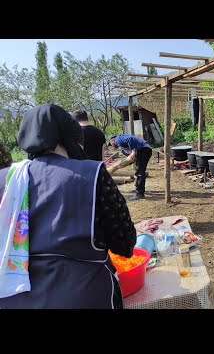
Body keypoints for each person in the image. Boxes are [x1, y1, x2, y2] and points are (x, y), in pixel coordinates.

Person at [0, 103, 136, 309]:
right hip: (84, 295)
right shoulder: (91, 174)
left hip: (12, 297)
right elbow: (124, 243)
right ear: (68, 135)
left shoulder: (7, 180)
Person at [109, 134, 152, 201]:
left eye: (110, 144)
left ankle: (140, 194)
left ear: (112, 140)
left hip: (144, 150)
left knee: (140, 171)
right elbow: (133, 158)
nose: (112, 145)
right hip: (145, 150)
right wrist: (125, 164)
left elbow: (129, 138)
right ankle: (137, 188)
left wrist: (133, 151)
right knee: (138, 170)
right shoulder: (122, 147)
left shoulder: (118, 139)